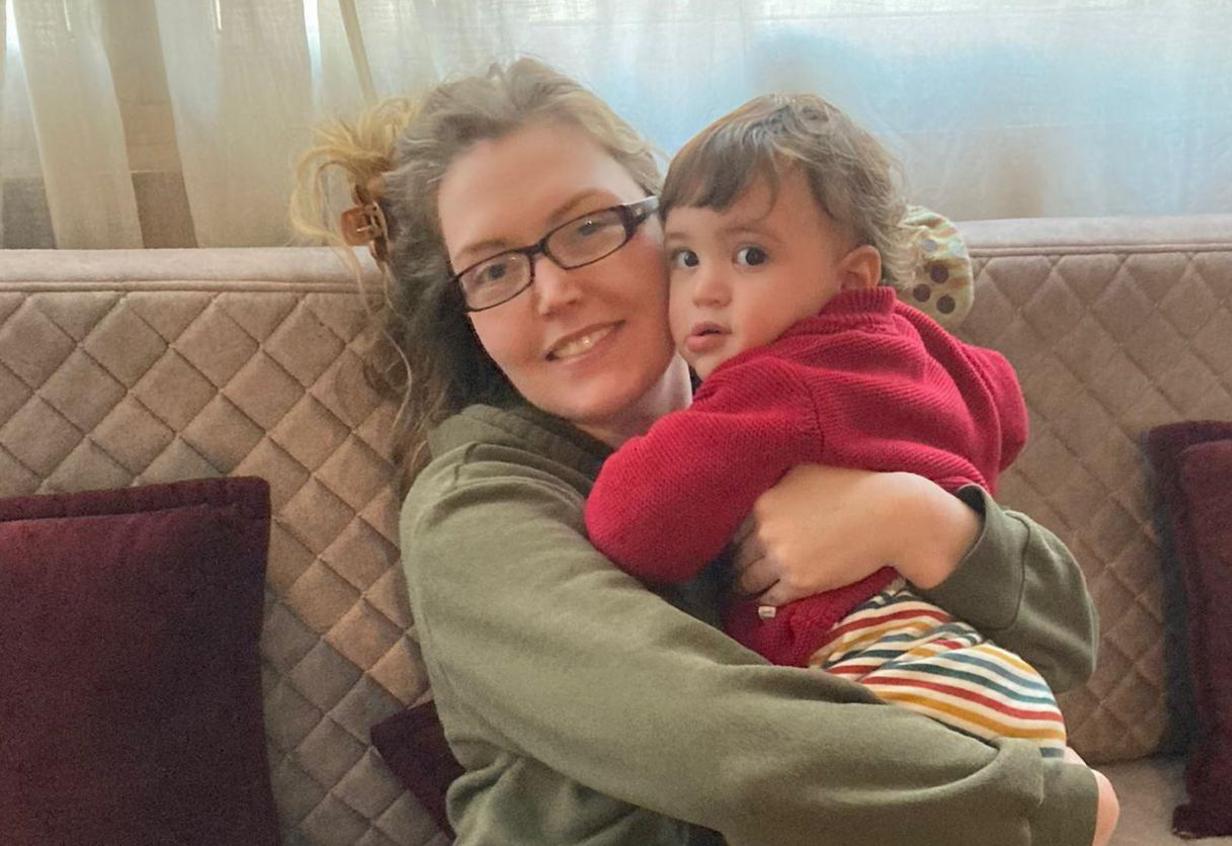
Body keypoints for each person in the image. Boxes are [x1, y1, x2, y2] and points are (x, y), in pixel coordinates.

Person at [292, 57, 1118, 846]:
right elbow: (726, 745)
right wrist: (1049, 813)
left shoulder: (798, 401)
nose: (555, 290)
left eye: (586, 228)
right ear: (463, 310)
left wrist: (914, 519)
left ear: (665, 227)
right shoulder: (475, 513)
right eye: (494, 268)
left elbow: (1065, 641)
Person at [585, 92, 1068, 756]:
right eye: (684, 257)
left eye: (750, 256)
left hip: (879, 663)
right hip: (977, 659)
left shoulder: (773, 384)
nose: (706, 289)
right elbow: (1004, 409)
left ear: (850, 280)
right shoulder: (925, 347)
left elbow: (630, 523)